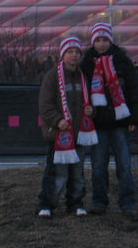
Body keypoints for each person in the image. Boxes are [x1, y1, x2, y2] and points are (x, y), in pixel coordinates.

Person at [81, 23, 138, 219]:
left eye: (104, 40)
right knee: (98, 165)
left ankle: (128, 203)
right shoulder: (86, 64)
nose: (101, 44)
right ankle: (99, 202)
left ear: (110, 40)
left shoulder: (122, 61)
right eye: (97, 40)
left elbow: (133, 90)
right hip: (98, 123)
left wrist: (134, 117)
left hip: (119, 122)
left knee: (124, 165)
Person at [37, 37, 96, 219]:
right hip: (59, 135)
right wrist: (57, 121)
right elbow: (45, 105)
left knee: (77, 172)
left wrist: (90, 110)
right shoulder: (52, 76)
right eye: (70, 52)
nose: (74, 55)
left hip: (79, 134)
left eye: (77, 52)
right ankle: (48, 204)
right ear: (63, 55)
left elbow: (89, 101)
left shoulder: (83, 77)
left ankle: (75, 203)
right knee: (57, 172)